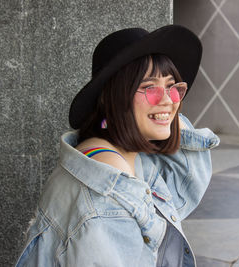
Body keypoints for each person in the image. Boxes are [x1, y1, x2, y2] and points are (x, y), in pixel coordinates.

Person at [15, 25, 219, 267]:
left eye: (172, 87)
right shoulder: (107, 203)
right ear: (115, 96)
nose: (167, 99)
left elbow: (187, 182)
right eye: (149, 88)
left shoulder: (111, 156)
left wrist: (163, 114)